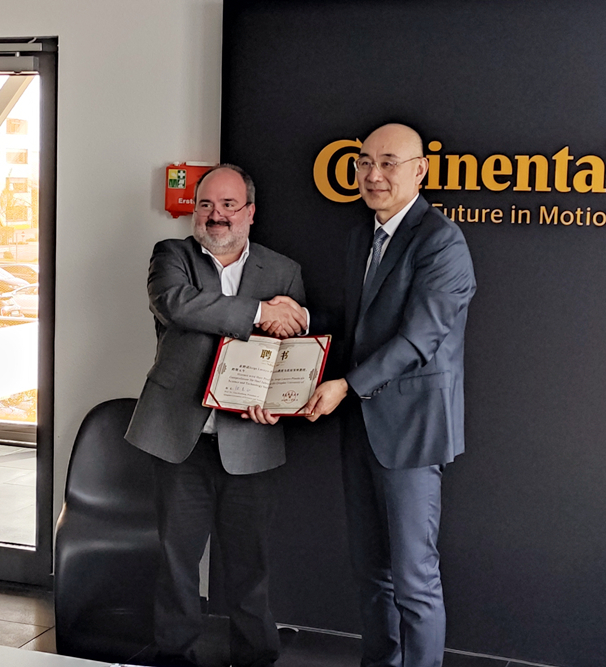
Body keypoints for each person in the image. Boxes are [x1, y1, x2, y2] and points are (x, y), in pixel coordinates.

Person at [302, 123, 476, 667]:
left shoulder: (441, 240)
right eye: (363, 162)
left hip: (413, 430)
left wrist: (346, 385)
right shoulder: (363, 237)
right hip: (362, 426)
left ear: (420, 170)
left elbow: (419, 339)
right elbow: (358, 327)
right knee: (371, 573)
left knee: (414, 579)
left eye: (388, 163)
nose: (373, 174)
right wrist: (302, 320)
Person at [125, 164, 307, 667]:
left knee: (250, 563)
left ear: (250, 212)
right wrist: (260, 313)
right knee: (177, 561)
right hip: (178, 438)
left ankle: (255, 655)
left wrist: (279, 399)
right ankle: (174, 653)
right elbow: (178, 306)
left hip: (251, 438)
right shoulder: (172, 256)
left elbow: (294, 348)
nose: (216, 214)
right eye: (205, 204)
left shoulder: (283, 271)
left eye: (228, 205)